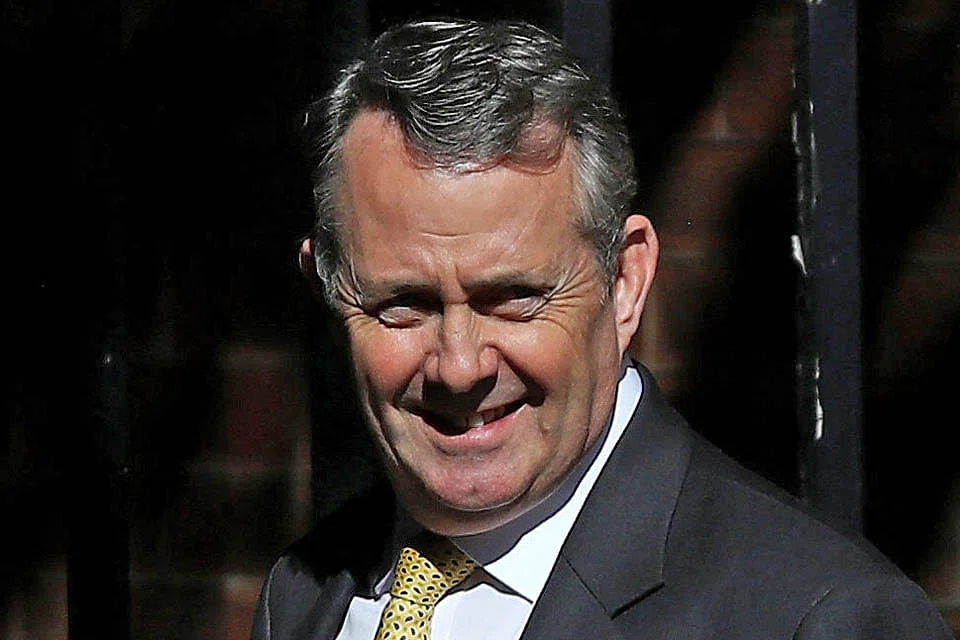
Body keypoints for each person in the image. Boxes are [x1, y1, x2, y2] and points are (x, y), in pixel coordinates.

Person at [252, 18, 952, 640]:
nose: (460, 366)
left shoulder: (818, 617)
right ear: (328, 288)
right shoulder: (305, 597)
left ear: (625, 283)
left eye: (514, 299)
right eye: (404, 304)